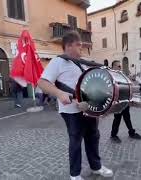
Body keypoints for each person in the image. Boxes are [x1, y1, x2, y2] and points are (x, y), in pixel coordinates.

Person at [38, 31, 113, 180]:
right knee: (76, 141)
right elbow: (42, 83)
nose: (81, 48)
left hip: (88, 109)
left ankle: (96, 166)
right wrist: (59, 94)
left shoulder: (83, 64)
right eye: (79, 45)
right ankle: (75, 175)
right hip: (71, 111)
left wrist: (100, 105)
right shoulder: (58, 62)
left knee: (93, 137)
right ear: (68, 45)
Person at [110, 60, 141, 143]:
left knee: (127, 117)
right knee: (117, 119)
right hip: (117, 101)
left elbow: (128, 85)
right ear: (113, 67)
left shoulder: (121, 75)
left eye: (120, 66)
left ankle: (131, 133)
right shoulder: (111, 76)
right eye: (118, 66)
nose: (120, 67)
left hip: (125, 99)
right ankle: (113, 135)